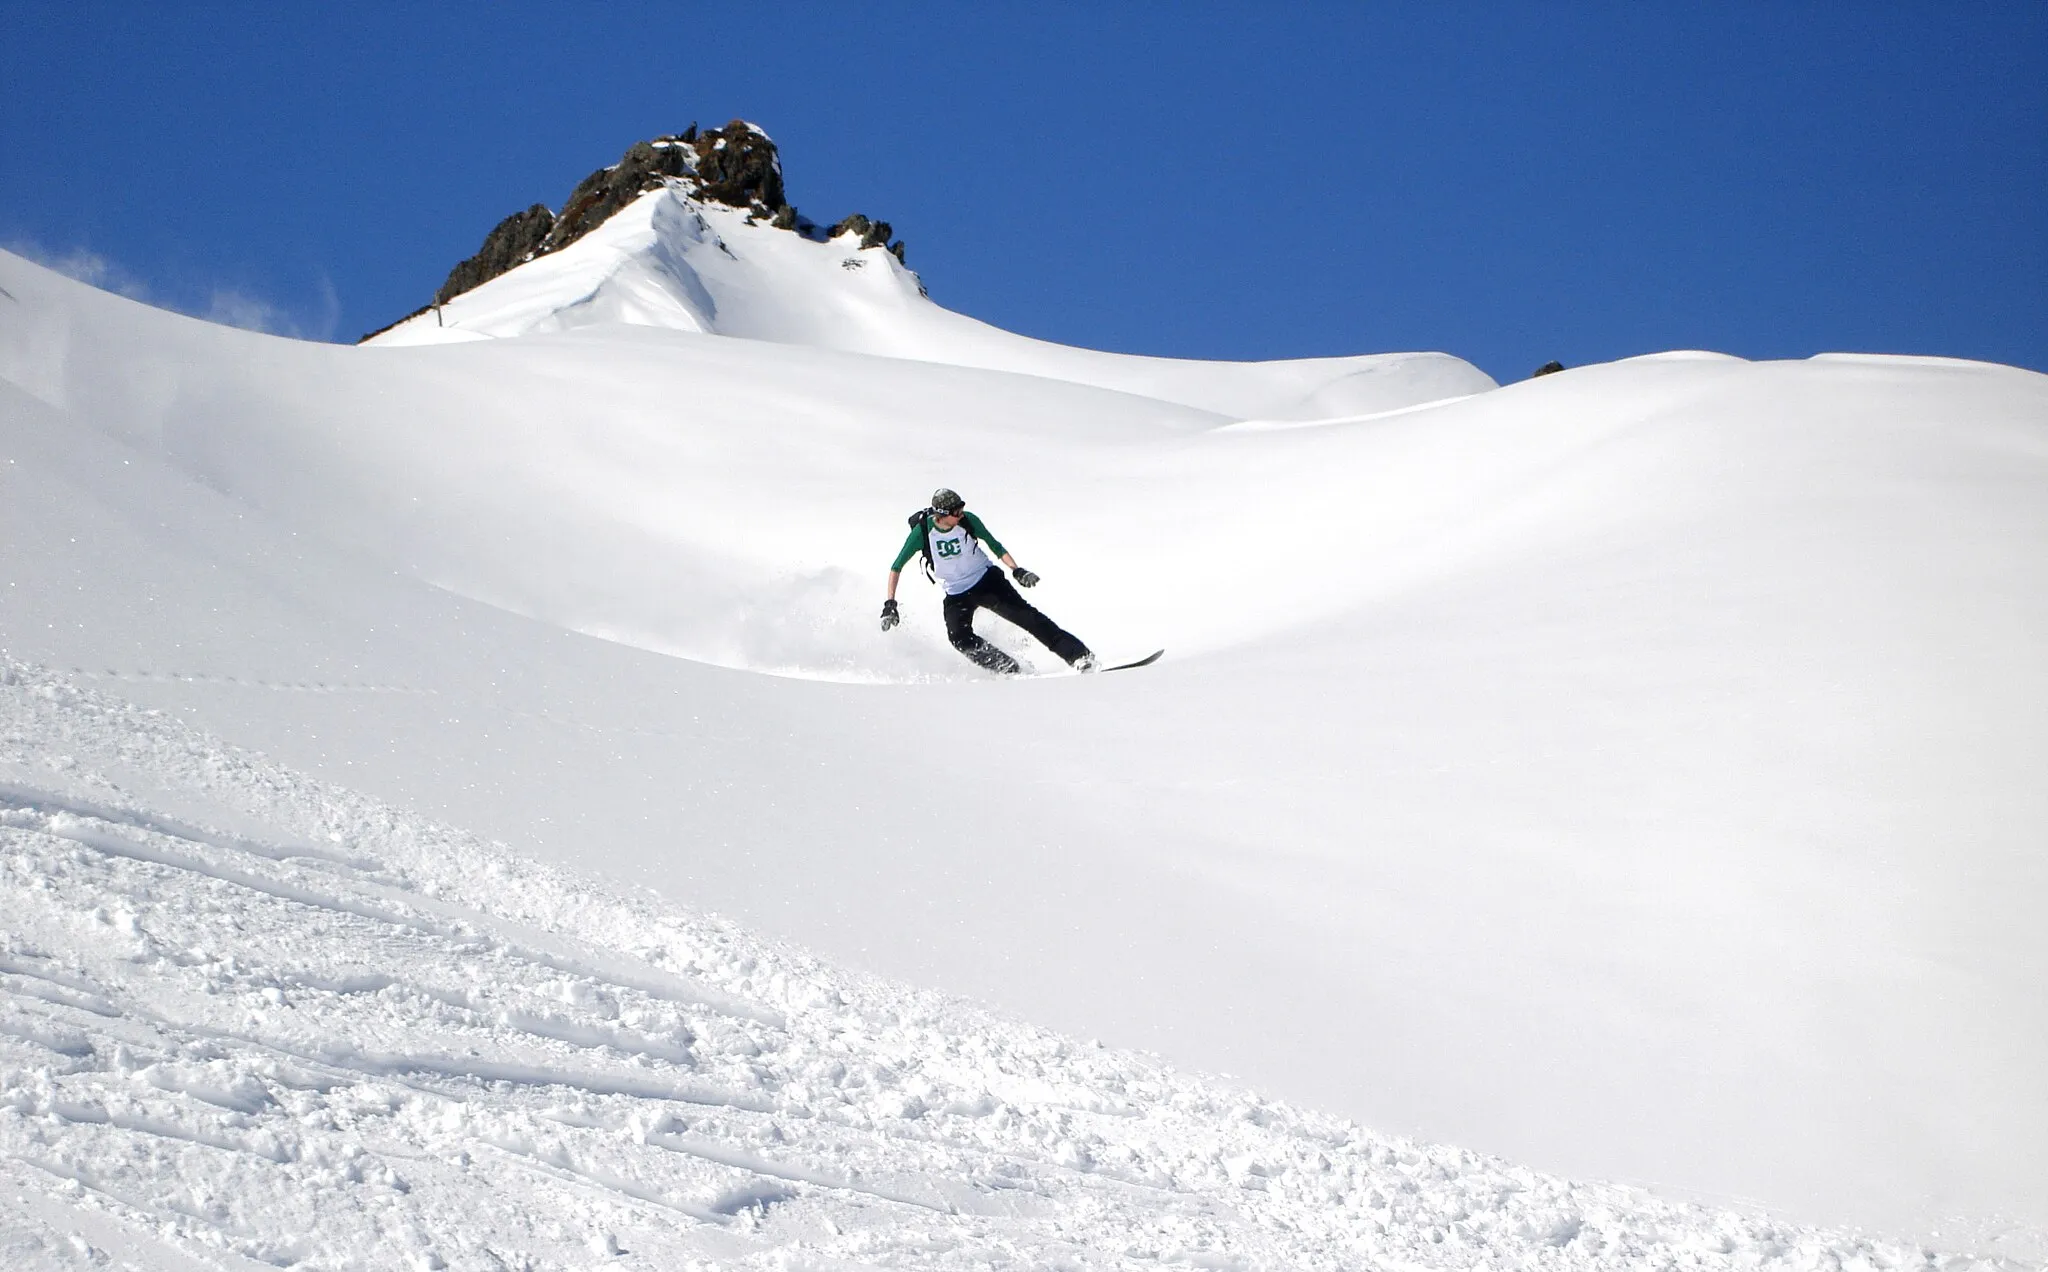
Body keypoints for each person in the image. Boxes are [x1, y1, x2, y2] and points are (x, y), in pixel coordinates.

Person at [881, 488, 1095, 674]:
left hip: (987, 581)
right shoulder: (922, 533)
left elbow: (995, 545)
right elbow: (896, 567)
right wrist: (890, 604)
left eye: (961, 509)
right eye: (956, 512)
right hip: (956, 593)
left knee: (1028, 617)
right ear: (942, 514)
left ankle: (1079, 656)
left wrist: (1016, 569)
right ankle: (1008, 669)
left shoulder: (968, 521)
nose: (961, 514)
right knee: (959, 638)